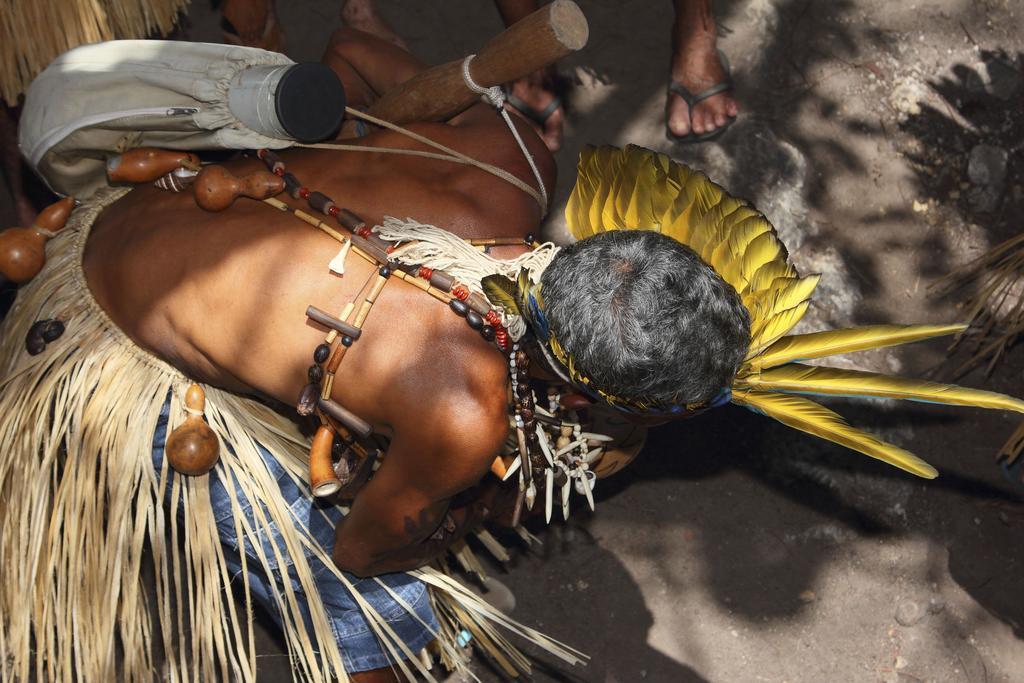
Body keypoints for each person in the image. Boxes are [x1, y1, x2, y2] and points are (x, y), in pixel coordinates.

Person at [4, 19, 1024, 683]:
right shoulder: (457, 410)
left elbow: (357, 58)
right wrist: (457, 510)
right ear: (602, 399)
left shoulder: (505, 177)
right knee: (381, 612)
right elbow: (366, 543)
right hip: (105, 339)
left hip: (154, 196)